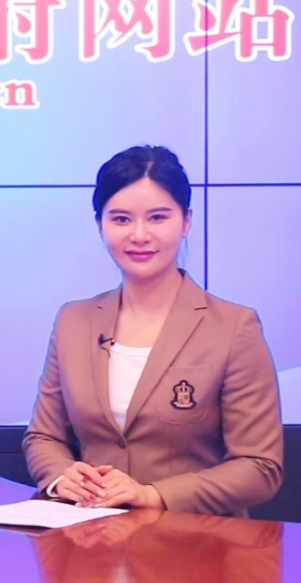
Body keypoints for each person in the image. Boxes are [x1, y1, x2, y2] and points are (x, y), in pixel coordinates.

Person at [23, 146, 283, 517]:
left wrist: (153, 495)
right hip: (90, 539)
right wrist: (61, 477)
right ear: (100, 224)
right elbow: (44, 437)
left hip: (194, 539)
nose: (140, 235)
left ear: (186, 222)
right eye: (121, 219)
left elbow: (260, 467)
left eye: (158, 217)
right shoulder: (73, 321)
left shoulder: (234, 327)